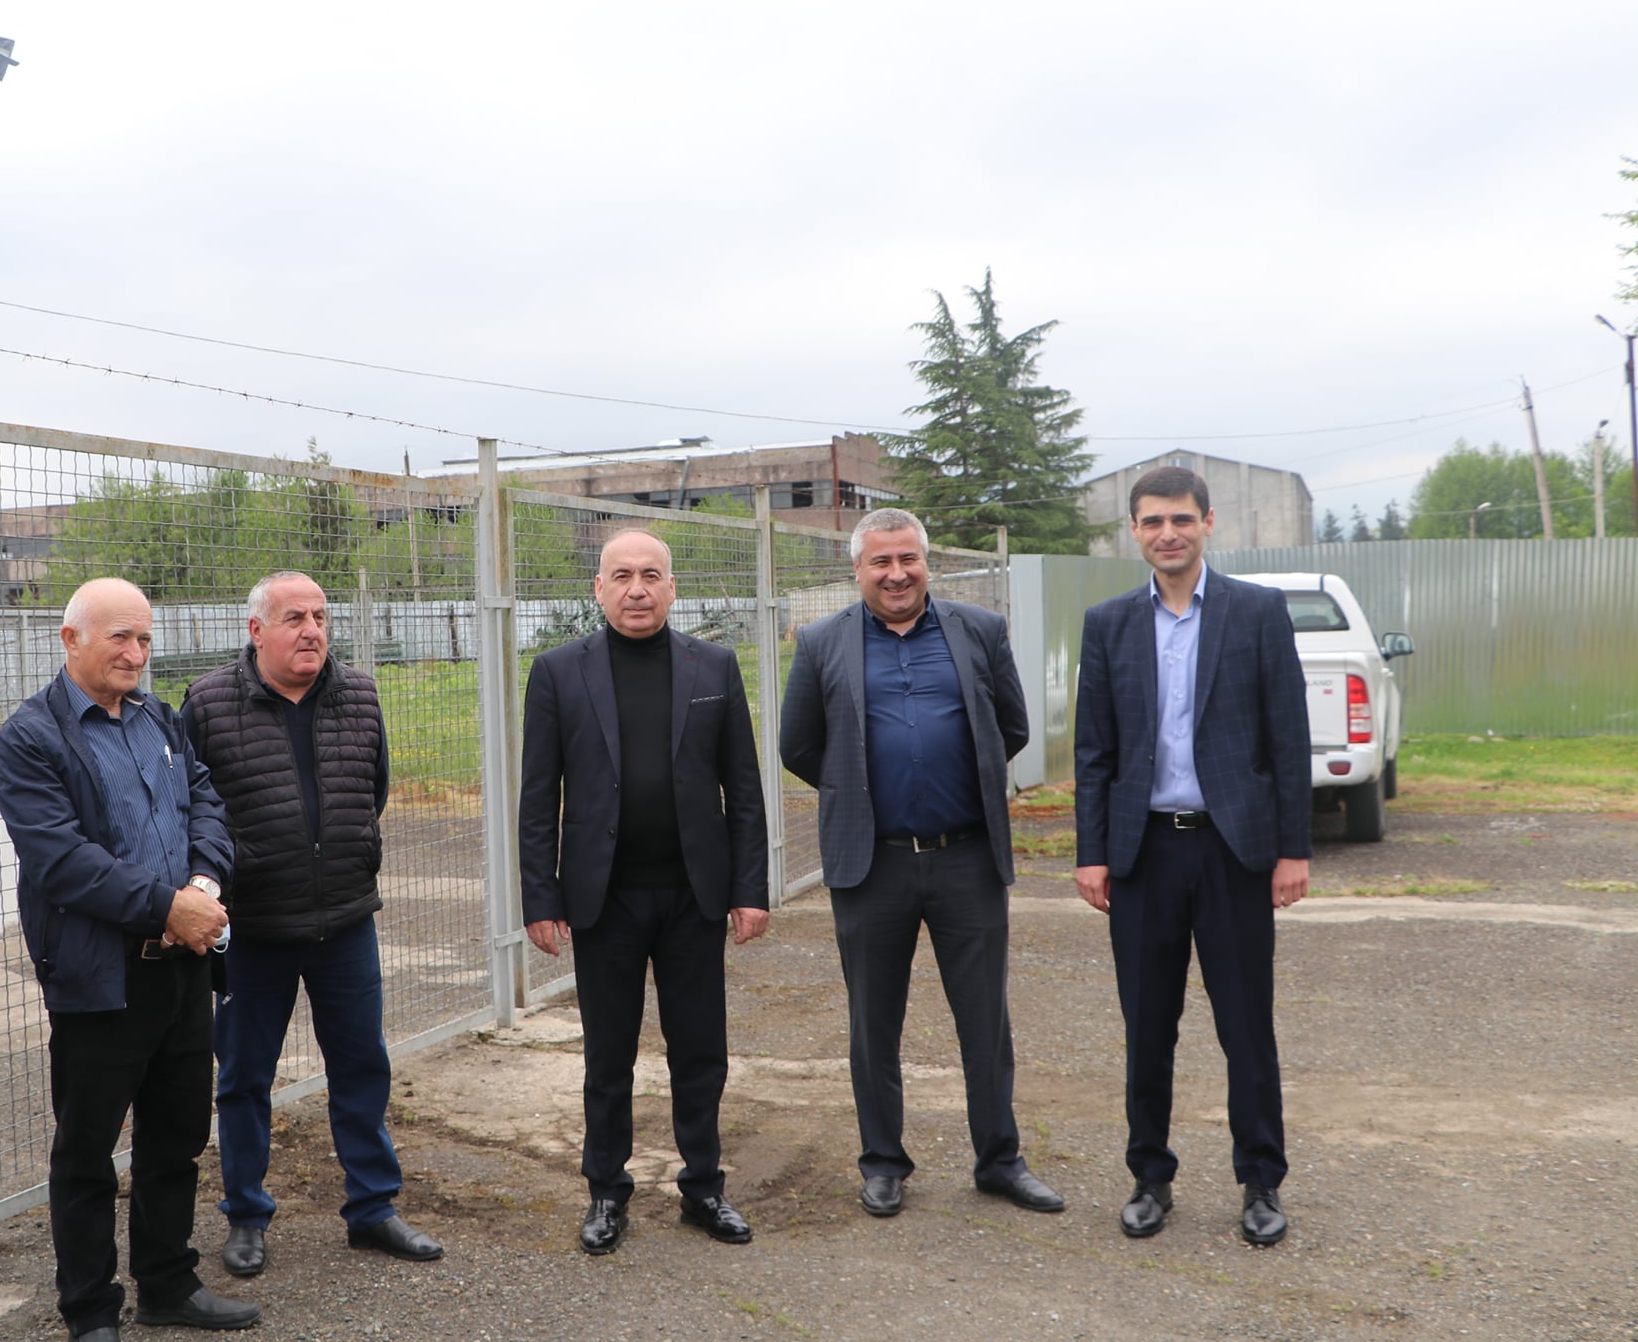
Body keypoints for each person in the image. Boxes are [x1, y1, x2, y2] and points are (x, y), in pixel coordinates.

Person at [778, 507, 1062, 1221]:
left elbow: (1011, 726)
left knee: (985, 1021)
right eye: (881, 561)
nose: (897, 573)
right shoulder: (821, 642)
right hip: (871, 865)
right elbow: (799, 745)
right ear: (858, 569)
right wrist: (859, 790)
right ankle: (883, 1163)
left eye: (908, 558)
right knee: (873, 1024)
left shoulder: (980, 630)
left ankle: (999, 1161)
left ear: (926, 562)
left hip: (968, 859)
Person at [0, 577, 258, 1340]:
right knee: (88, 1152)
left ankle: (168, 1282)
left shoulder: (157, 717)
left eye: (144, 638)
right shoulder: (31, 736)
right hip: (101, 979)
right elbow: (62, 860)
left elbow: (206, 804)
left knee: (176, 1136)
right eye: (120, 637)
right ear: (70, 638)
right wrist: (167, 905)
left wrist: (203, 883)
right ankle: (90, 1310)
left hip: (182, 968)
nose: (136, 653)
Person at [1072, 466, 1311, 1247]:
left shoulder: (1256, 612)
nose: (1167, 533)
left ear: (1208, 522)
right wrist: (1093, 853)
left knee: (1246, 1027)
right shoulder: (1108, 624)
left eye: (1181, 518)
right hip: (1142, 854)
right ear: (1134, 531)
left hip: (1233, 852)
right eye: (1152, 521)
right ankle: (1150, 1175)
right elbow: (1094, 751)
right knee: (1148, 1028)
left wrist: (1292, 849)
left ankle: (1260, 1180)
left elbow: (1288, 737)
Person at [182, 571, 444, 1279]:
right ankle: (246, 1215)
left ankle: (373, 1207)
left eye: (321, 617)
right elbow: (194, 808)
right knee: (244, 1078)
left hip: (346, 921)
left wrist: (346, 852)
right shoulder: (208, 703)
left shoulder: (359, 693)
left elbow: (372, 790)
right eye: (295, 617)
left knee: (361, 1066)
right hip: (254, 929)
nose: (312, 630)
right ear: (256, 630)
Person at [518, 529, 770, 1255]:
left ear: (672, 587)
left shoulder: (714, 666)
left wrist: (749, 888)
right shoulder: (558, 671)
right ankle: (606, 1191)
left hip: (694, 896)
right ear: (598, 589)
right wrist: (541, 897)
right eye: (622, 575)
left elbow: (744, 789)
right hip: (605, 901)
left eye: (651, 575)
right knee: (609, 1056)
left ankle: (704, 1188)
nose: (637, 589)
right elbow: (538, 795)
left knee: (700, 1051)